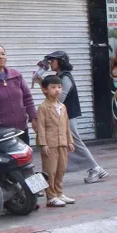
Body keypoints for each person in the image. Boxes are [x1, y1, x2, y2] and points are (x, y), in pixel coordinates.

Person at [44, 50, 109, 184]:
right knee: (69, 143)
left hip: (67, 115)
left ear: (60, 61)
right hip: (62, 115)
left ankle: (95, 167)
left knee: (74, 141)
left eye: (53, 60)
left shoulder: (65, 77)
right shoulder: (59, 76)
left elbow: (59, 98)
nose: (51, 63)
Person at [35, 74, 74, 207]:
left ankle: (59, 192)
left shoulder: (62, 106)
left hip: (62, 142)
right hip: (50, 144)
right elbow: (40, 127)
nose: (57, 90)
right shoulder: (43, 107)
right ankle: (51, 196)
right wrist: (43, 143)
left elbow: (66, 125)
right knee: (50, 171)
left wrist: (70, 141)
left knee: (61, 169)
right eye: (53, 87)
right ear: (45, 89)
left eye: (59, 87)